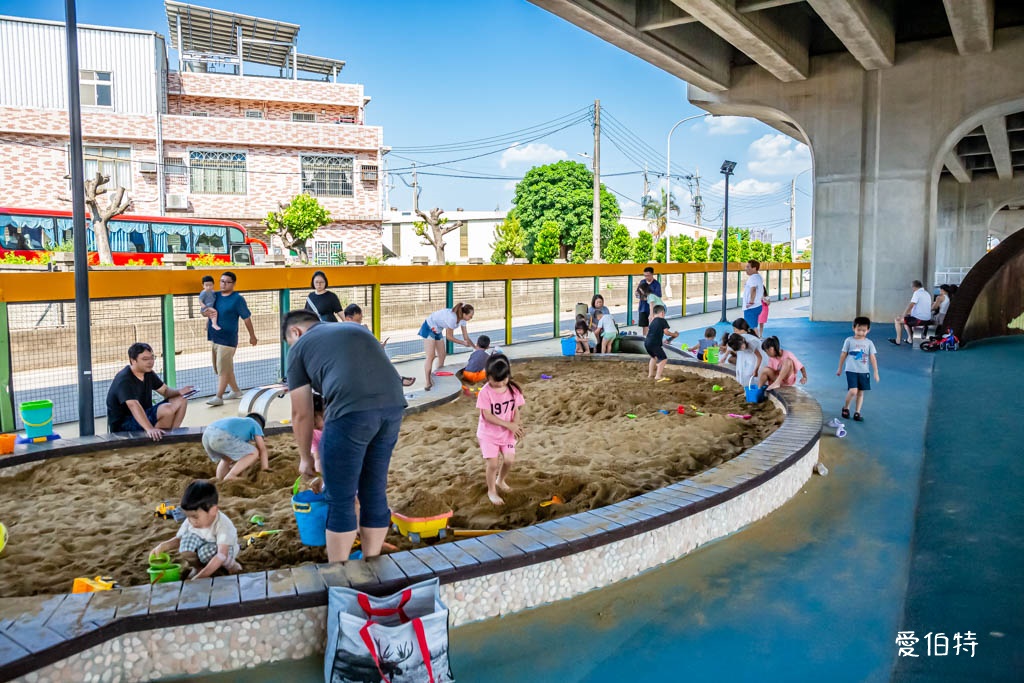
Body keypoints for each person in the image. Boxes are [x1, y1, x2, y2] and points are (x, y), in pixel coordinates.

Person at [283, 309, 407, 562]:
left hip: (350, 412)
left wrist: (305, 457)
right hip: (394, 406)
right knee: (373, 490)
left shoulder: (299, 347)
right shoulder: (356, 328)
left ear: (295, 332)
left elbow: (301, 413)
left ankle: (339, 572)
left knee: (341, 498)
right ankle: (372, 562)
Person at [150, 480, 242, 580]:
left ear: (213, 511)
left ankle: (232, 565)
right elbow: (180, 539)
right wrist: (164, 546)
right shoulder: (191, 521)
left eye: (195, 517)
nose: (191, 521)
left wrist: (200, 577)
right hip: (203, 548)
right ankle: (198, 567)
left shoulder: (223, 525)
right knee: (185, 545)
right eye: (188, 516)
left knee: (205, 552)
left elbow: (221, 554)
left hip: (224, 551)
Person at [106, 342, 192, 441]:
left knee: (181, 399)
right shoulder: (124, 379)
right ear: (133, 360)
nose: (150, 362)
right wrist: (149, 428)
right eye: (145, 359)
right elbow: (133, 405)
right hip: (124, 424)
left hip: (144, 414)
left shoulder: (148, 373)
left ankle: (173, 433)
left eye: (152, 358)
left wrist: (180, 392)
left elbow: (165, 390)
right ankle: (156, 441)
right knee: (167, 410)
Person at [476, 354, 525, 505]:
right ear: (488, 376)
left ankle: (500, 480)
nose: (500, 384)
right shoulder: (485, 392)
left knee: (509, 460)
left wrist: (515, 426)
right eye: (495, 381)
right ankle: (492, 490)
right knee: (492, 464)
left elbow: (516, 410)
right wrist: (509, 425)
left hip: (507, 433)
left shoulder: (514, 390)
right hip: (488, 434)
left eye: (503, 380)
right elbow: (487, 415)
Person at [206, 272, 257, 407]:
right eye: (222, 281)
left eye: (227, 282)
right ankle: (235, 390)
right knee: (221, 368)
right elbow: (205, 309)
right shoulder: (215, 296)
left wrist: (252, 335)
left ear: (233, 284)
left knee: (223, 369)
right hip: (215, 337)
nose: (224, 284)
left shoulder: (237, 299)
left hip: (228, 340)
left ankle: (218, 396)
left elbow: (246, 318)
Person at [346, 304, 415, 387]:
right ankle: (397, 379)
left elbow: (369, 344)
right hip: (355, 361)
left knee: (380, 353)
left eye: (360, 319)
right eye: (357, 320)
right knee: (378, 356)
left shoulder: (361, 328)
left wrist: (378, 345)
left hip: (365, 358)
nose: (359, 323)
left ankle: (396, 378)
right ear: (348, 319)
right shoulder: (344, 332)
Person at [419, 303, 475, 390]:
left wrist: (475, 347)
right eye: (470, 316)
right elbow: (449, 337)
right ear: (464, 314)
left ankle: (438, 379)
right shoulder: (452, 318)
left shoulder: (463, 320)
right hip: (429, 327)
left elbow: (466, 337)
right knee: (431, 356)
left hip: (437, 330)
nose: (471, 318)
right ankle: (428, 382)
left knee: (442, 355)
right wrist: (463, 343)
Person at [837, 316, 880, 421]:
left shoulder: (869, 343)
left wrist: (876, 371)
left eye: (864, 330)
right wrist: (840, 368)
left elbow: (872, 357)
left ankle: (857, 412)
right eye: (858, 330)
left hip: (864, 371)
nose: (861, 332)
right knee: (853, 391)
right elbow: (843, 354)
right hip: (851, 370)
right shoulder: (849, 340)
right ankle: (846, 407)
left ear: (868, 330)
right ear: (853, 328)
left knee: (861, 392)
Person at [202, 413, 269, 480]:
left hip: (207, 435)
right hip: (222, 436)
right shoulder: (254, 424)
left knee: (226, 458)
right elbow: (262, 449)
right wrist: (265, 469)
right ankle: (231, 475)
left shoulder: (239, 424)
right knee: (254, 452)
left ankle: (220, 480)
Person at [890, 280, 932, 346]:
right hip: (927, 318)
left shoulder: (917, 293)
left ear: (914, 287)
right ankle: (910, 339)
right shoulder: (927, 293)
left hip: (919, 319)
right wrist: (907, 314)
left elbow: (911, 305)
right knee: (906, 321)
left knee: (897, 320)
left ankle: (898, 340)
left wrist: (903, 315)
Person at [644, 305, 678, 382]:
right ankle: (658, 376)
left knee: (653, 357)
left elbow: (654, 333)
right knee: (663, 359)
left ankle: (650, 374)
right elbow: (666, 332)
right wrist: (674, 334)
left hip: (647, 342)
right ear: (662, 313)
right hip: (654, 344)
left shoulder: (653, 321)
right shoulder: (662, 321)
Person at [636, 267, 662, 336]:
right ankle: (645, 338)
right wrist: (640, 296)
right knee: (644, 325)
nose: (646, 277)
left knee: (654, 325)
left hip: (654, 308)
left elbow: (658, 295)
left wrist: (647, 297)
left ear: (652, 274)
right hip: (643, 307)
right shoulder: (642, 282)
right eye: (645, 275)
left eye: (648, 275)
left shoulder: (656, 284)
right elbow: (638, 292)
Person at [742, 260, 765, 330]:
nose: (746, 269)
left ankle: (754, 340)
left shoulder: (753, 277)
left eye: (748, 267)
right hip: (757, 305)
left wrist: (751, 302)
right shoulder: (758, 277)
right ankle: (756, 339)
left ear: (754, 268)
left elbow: (753, 289)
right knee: (754, 327)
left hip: (751, 307)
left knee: (750, 328)